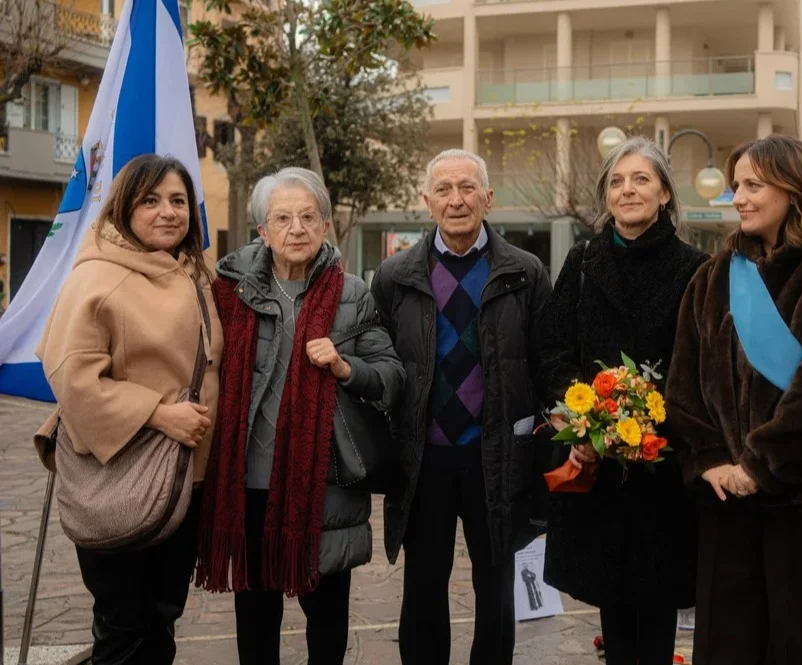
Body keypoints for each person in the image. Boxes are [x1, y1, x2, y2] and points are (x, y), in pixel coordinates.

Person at [666, 135, 802, 665]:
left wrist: (761, 464)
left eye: (753, 185)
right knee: (725, 645)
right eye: (736, 185)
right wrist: (711, 459)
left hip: (801, 497)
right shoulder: (712, 277)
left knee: (799, 643)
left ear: (794, 189)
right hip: (724, 500)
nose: (738, 197)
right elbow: (684, 384)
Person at [194, 166, 405, 665]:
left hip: (323, 481)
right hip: (247, 483)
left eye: (309, 217)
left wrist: (345, 365)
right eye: (282, 218)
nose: (297, 229)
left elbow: (391, 375)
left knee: (328, 623)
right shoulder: (229, 289)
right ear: (262, 231)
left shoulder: (352, 293)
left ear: (326, 226)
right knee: (256, 622)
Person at [36, 154, 225, 665]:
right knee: (122, 625)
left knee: (161, 620)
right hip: (121, 476)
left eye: (179, 200)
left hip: (185, 479)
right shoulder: (97, 277)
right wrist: (160, 414)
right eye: (151, 200)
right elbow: (72, 377)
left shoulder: (194, 274)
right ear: (124, 206)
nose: (168, 211)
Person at [371, 148, 552, 665]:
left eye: (468, 187)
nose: (457, 199)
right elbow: (381, 360)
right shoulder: (394, 275)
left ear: (488, 198)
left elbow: (545, 362)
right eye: (444, 190)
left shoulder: (525, 272)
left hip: (496, 454)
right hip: (423, 459)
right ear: (426, 202)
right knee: (423, 587)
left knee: (496, 589)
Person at [538, 136, 706, 665]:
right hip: (598, 464)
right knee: (612, 601)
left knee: (656, 605)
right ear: (605, 196)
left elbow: (701, 362)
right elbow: (555, 348)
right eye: (616, 181)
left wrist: (658, 421)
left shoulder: (695, 267)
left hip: (663, 464)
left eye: (641, 179)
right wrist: (580, 420)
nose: (627, 190)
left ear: (664, 195)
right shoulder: (584, 262)